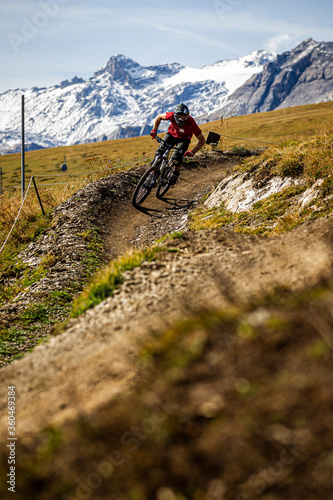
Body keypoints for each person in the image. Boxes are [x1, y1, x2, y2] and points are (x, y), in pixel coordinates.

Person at [150, 103, 206, 185]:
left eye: (181, 116)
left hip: (184, 139)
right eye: (177, 116)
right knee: (159, 152)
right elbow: (159, 117)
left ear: (186, 116)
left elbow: (201, 140)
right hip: (171, 135)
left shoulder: (191, 122)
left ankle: (176, 172)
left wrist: (193, 151)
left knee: (176, 157)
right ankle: (152, 172)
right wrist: (154, 130)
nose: (179, 119)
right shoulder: (171, 115)